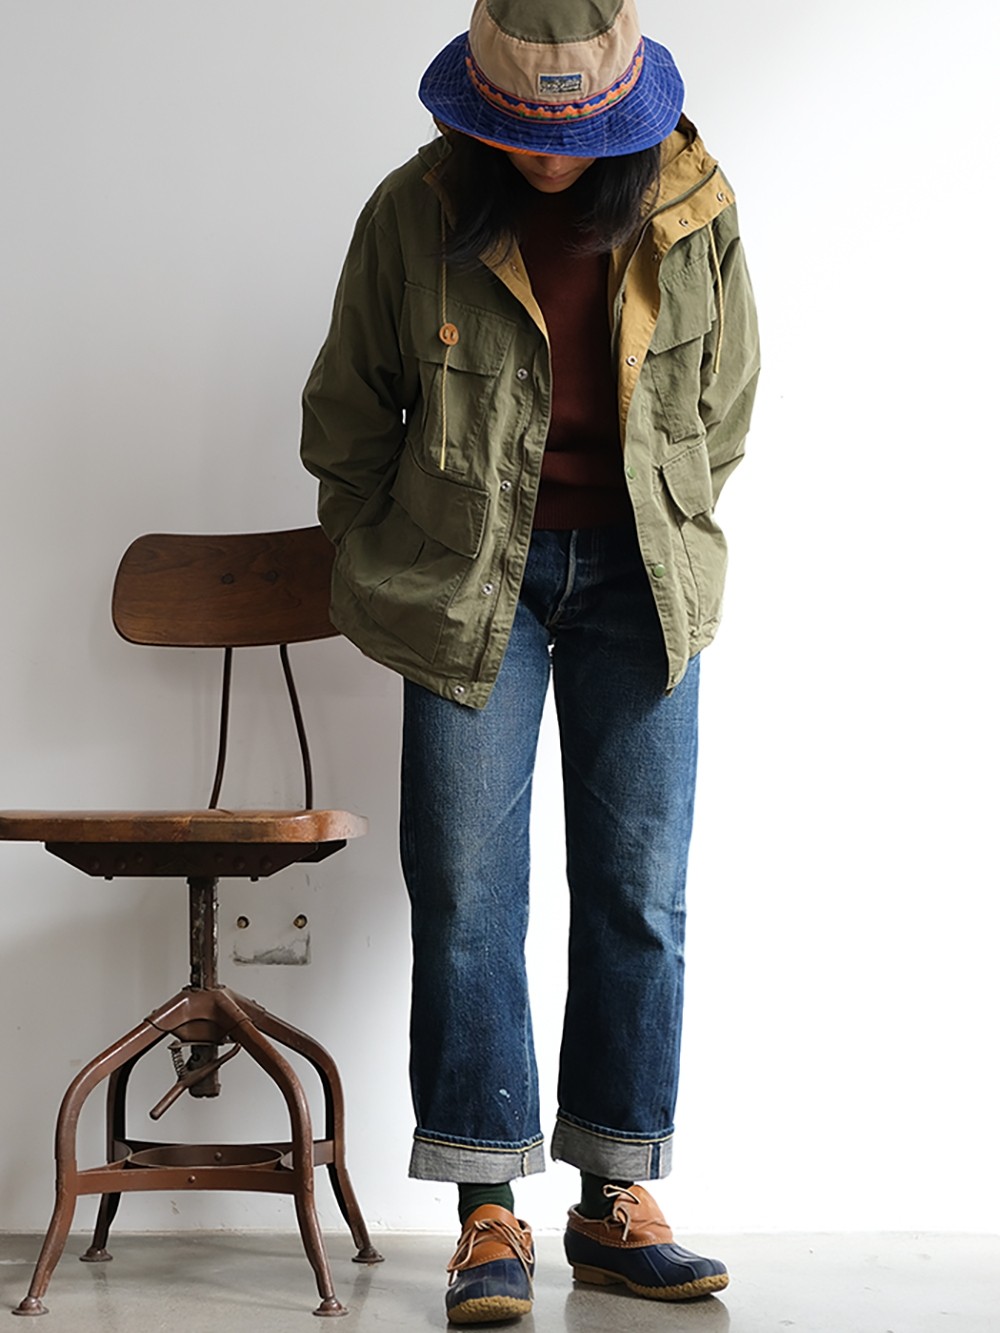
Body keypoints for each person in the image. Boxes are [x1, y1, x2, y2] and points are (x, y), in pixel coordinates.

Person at [301, 0, 759, 1323]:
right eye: (521, 125)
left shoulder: (692, 206)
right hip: (466, 588)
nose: (547, 151)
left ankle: (616, 1197)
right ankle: (485, 1211)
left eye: (573, 127)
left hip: (641, 581)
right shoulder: (417, 212)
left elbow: (727, 403)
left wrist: (666, 518)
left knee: (639, 890)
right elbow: (347, 415)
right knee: (463, 893)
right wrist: (390, 556)